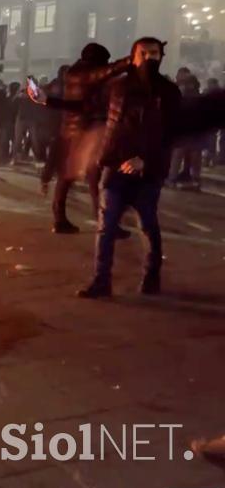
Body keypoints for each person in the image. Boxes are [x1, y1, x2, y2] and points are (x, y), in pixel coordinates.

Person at [78, 38, 225, 299]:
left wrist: (144, 159)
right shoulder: (118, 87)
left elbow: (164, 131)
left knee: (147, 224)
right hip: (115, 166)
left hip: (149, 169)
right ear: (132, 57)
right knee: (106, 226)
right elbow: (109, 121)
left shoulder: (168, 91)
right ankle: (101, 280)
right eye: (142, 53)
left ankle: (151, 275)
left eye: (154, 53)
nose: (148, 58)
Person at [40, 44, 130, 234]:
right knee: (96, 179)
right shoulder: (87, 74)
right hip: (87, 130)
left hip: (71, 128)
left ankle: (60, 219)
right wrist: (133, 59)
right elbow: (110, 70)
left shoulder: (72, 73)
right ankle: (105, 221)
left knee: (67, 177)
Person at [169, 68, 203, 189]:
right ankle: (194, 179)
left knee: (180, 155)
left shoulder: (184, 96)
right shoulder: (197, 96)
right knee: (192, 157)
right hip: (193, 132)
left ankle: (173, 178)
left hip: (187, 132)